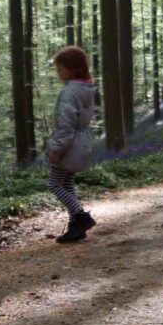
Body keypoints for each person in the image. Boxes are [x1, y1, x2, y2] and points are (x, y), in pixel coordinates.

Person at [46, 46, 97, 243]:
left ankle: (81, 217)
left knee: (54, 183)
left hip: (68, 146)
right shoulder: (86, 88)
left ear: (72, 69)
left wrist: (55, 149)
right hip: (81, 142)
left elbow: (65, 126)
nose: (58, 73)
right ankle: (76, 227)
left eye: (60, 69)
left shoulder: (70, 92)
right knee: (67, 184)